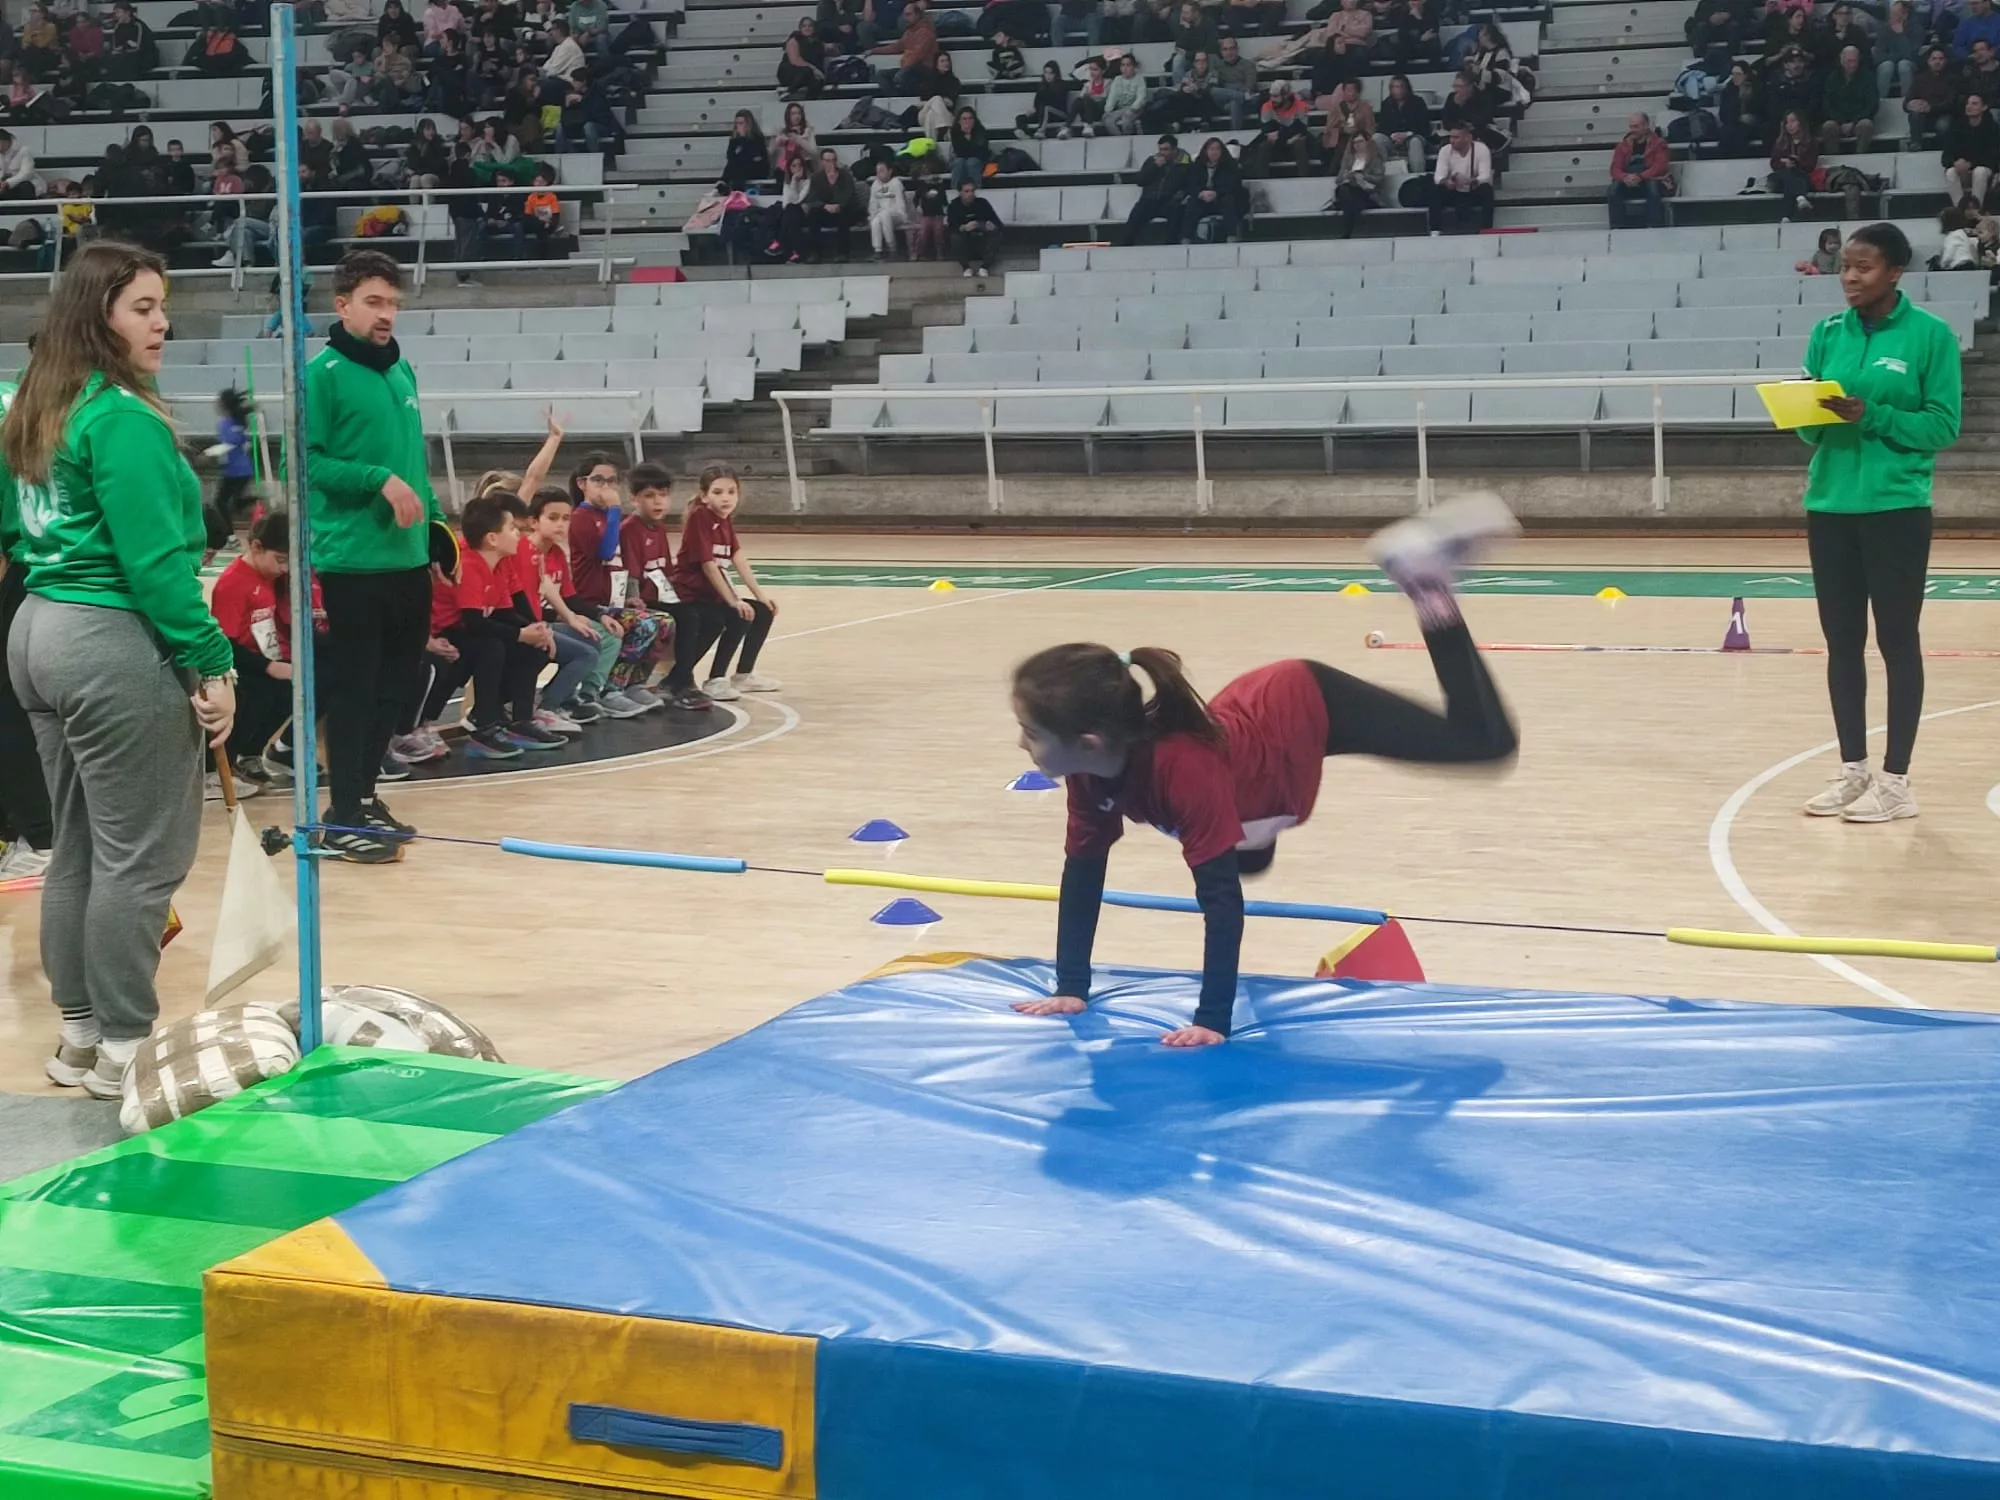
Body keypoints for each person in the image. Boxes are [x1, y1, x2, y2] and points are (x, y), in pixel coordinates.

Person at [1007, 495, 1519, 1047]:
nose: (1020, 743)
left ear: (1088, 742)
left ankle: (1426, 583)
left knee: (1485, 743)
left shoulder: (1183, 773)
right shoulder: (1089, 775)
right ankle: (1425, 583)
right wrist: (1071, 986)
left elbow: (1221, 903)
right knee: (1249, 855)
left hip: (1305, 703)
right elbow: (1083, 873)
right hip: (1253, 753)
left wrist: (1212, 1019)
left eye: (1031, 732)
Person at [0, 241, 236, 1097]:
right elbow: (156, 565)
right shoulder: (122, 417)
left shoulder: (41, 405)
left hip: (38, 628)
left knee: (78, 848)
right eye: (142, 307)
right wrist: (213, 662)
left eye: (162, 306)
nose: (162, 322)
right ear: (98, 314)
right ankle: (128, 1050)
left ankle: (80, 1038)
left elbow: (14, 532)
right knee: (139, 858)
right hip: (107, 639)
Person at [1796, 223, 1961, 824]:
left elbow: (1942, 426)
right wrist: (1804, 411)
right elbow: (1811, 431)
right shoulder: (1826, 333)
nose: (1849, 277)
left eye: (1863, 267)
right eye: (1845, 266)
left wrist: (1872, 414)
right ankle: (1853, 772)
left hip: (1896, 508)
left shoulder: (1930, 336)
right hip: (1830, 506)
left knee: (1897, 641)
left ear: (1894, 272)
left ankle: (1896, 783)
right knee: (1842, 643)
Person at [305, 251, 442, 863]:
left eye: (393, 303)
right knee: (356, 690)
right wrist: (375, 479)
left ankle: (363, 796)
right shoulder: (321, 375)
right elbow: (303, 463)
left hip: (407, 560)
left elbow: (414, 462)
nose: (386, 314)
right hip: (353, 562)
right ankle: (341, 817)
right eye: (373, 302)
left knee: (396, 687)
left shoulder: (401, 368)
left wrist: (436, 527)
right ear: (343, 305)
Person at [426, 494, 565, 758]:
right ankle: (484, 725)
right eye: (512, 528)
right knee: (490, 648)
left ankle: (520, 720)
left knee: (534, 648)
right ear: (492, 538)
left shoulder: (498, 565)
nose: (519, 534)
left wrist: (537, 630)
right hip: (447, 631)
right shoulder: (469, 565)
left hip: (471, 628)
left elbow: (505, 612)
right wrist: (521, 634)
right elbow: (473, 622)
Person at [209, 509, 316, 783]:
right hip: (238, 664)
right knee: (256, 696)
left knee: (294, 689)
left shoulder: (270, 578)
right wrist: (268, 666)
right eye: (280, 560)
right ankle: (220, 768)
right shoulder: (233, 583)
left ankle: (251, 753)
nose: (284, 569)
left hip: (263, 657)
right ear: (256, 547)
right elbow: (226, 643)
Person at [0, 377, 54, 885]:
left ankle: (38, 838)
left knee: (10, 708)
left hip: (20, 570)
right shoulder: (17, 395)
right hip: (42, 566)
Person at [670, 465, 780, 701]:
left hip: (711, 594)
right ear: (704, 496)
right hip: (690, 594)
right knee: (739, 614)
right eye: (718, 492)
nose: (726, 498)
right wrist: (733, 600)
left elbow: (737, 556)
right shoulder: (700, 517)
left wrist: (760, 595)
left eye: (732, 492)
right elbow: (708, 565)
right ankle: (715, 679)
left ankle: (743, 675)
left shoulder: (724, 519)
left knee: (763, 611)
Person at [564, 452, 663, 714]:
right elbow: (606, 552)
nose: (606, 487)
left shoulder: (605, 518)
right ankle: (608, 689)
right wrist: (615, 510)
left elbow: (618, 563)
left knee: (664, 623)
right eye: (598, 480)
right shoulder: (581, 517)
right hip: (591, 602)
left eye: (611, 481)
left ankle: (633, 683)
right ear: (582, 483)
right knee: (643, 625)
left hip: (613, 600)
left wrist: (628, 595)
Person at [522, 487, 621, 721]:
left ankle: (568, 696)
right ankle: (547, 707)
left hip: (547, 622)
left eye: (566, 518)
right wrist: (564, 617)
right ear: (534, 522)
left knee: (596, 637)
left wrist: (599, 615)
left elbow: (570, 597)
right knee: (585, 653)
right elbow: (524, 603)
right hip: (528, 624)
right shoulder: (524, 552)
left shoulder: (556, 554)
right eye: (553, 518)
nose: (561, 524)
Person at [1121, 133, 1189, 244]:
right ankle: (1125, 243)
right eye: (1160, 149)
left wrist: (1180, 195)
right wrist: (1155, 166)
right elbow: (1140, 181)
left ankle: (1171, 244)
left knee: (1178, 213)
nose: (1162, 153)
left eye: (1166, 149)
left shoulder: (1186, 163)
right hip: (1149, 199)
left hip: (1170, 200)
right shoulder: (1152, 160)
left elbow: (1189, 183)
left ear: (1174, 150)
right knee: (1136, 214)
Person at [1607, 112, 1672, 228]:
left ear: (1646, 125)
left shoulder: (1659, 144)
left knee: (1653, 187)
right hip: (1629, 181)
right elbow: (1615, 168)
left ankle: (1654, 226)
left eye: (1636, 126)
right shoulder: (1622, 145)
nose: (1632, 130)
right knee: (1613, 190)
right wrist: (1625, 177)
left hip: (1651, 180)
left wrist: (1640, 176)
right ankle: (1617, 228)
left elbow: (1660, 167)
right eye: (1631, 126)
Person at [1430, 122, 1493, 232]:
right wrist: (1447, 182)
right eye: (1451, 137)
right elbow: (1438, 177)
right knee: (1436, 191)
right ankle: (1434, 231)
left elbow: (1485, 176)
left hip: (1473, 189)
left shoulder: (1481, 149)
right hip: (1454, 190)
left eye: (1456, 137)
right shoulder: (1445, 150)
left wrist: (1470, 181)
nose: (1452, 141)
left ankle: (1487, 229)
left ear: (1468, 138)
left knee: (1486, 190)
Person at [1180, 135, 1243, 242]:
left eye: (1217, 149)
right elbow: (1190, 185)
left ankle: (1232, 236)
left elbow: (1233, 185)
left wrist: (1216, 193)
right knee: (1192, 203)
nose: (1214, 152)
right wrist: (1200, 193)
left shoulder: (1230, 165)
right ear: (1205, 151)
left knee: (1228, 201)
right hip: (1202, 199)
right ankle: (1186, 238)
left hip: (1221, 198)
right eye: (1211, 149)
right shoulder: (1196, 166)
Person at [805, 146, 863, 261]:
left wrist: (838, 204)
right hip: (824, 210)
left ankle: (843, 253)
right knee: (813, 214)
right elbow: (812, 198)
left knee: (844, 215)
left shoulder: (845, 176)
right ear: (822, 162)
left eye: (833, 160)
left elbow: (849, 196)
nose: (831, 163)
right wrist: (825, 206)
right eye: (827, 161)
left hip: (842, 209)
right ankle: (815, 253)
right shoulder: (816, 177)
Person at [1820, 45, 1880, 155]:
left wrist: (1854, 122)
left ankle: (1860, 156)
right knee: (1828, 126)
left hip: (1859, 120)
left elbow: (1872, 104)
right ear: (1842, 61)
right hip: (1838, 120)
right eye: (1849, 61)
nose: (1853, 65)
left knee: (1866, 125)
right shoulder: (1832, 78)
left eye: (1855, 61)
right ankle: (1834, 158)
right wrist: (1840, 121)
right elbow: (1827, 104)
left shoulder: (1868, 77)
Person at [1943, 90, 2000, 203]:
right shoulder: (1956, 127)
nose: (1969, 107)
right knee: (1950, 172)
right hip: (1962, 171)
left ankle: (1976, 208)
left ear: (1984, 107)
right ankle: (1959, 208)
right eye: (1967, 103)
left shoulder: (1993, 128)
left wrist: (1970, 164)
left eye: (1974, 104)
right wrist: (1955, 163)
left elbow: (1993, 157)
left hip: (1984, 171)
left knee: (1979, 172)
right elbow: (1945, 156)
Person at [1245, 79, 1312, 174]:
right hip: (1277, 143)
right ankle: (1261, 177)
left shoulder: (1300, 106)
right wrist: (1285, 139)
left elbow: (1301, 130)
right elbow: (1268, 131)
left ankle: (1304, 177)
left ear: (1285, 96)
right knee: (1264, 145)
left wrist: (1287, 137)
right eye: (1271, 96)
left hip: (1293, 142)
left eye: (1276, 96)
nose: (1272, 99)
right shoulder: (1266, 106)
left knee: (1300, 143)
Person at [1332, 128, 1387, 236]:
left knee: (1350, 198)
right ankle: (1354, 226)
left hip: (1367, 193)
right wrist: (1346, 176)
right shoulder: (1349, 159)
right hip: (1349, 190)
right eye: (1355, 142)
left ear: (1367, 142)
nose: (1357, 145)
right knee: (1346, 191)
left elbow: (1379, 179)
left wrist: (1363, 176)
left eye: (1360, 141)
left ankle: (1347, 231)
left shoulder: (1375, 158)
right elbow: (1338, 180)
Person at [945, 176, 1002, 275]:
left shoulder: (982, 203)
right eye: (966, 191)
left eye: (972, 191)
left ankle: (985, 267)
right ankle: (966, 267)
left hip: (982, 241)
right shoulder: (954, 206)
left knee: (997, 234)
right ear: (960, 192)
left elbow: (999, 224)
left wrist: (990, 225)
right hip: (965, 244)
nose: (970, 194)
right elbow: (952, 227)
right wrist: (964, 227)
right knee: (955, 237)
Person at [1377, 71, 1432, 172]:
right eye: (1394, 87)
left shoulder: (1418, 102)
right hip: (1392, 139)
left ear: (1407, 88)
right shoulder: (1386, 104)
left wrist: (1407, 135)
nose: (1398, 90)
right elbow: (1382, 127)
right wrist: (1393, 136)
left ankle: (1418, 175)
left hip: (1413, 136)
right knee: (1377, 138)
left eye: (1400, 87)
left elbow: (1424, 127)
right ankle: (1381, 173)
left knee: (1415, 142)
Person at [1768, 108, 1819, 213]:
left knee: (1793, 179)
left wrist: (1797, 162)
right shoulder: (1780, 143)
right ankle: (1801, 198)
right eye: (1787, 123)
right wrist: (1785, 164)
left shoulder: (1811, 142)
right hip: (1781, 178)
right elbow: (1774, 163)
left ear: (1801, 123)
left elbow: (1811, 165)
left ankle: (1786, 216)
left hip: (1802, 177)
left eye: (1792, 121)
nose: (1789, 125)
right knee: (1789, 175)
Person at [1908, 46, 1958, 151]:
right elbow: (1907, 101)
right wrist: (1910, 104)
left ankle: (1943, 149)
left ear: (1945, 61)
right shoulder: (1919, 79)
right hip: (1924, 117)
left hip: (1943, 114)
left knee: (1943, 124)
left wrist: (1930, 107)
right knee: (1915, 113)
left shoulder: (1953, 79)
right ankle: (1915, 144)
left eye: (1940, 59)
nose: (1937, 62)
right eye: (1934, 59)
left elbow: (1951, 103)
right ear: (1928, 61)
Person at [867, 159, 911, 258]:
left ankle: (892, 247)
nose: (879, 174)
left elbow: (901, 203)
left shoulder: (896, 183)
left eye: (882, 171)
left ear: (890, 171)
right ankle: (878, 250)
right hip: (881, 215)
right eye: (877, 171)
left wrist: (904, 217)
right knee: (875, 222)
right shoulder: (875, 185)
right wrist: (872, 216)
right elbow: (872, 204)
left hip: (897, 214)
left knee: (885, 214)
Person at [1020, 59, 1073, 135]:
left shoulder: (1062, 85)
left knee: (1046, 107)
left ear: (1056, 74)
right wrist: (1033, 110)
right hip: (1043, 113)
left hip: (1059, 113)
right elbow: (1037, 102)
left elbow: (1057, 102)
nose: (1048, 76)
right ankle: (1023, 132)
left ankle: (1041, 131)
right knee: (1021, 117)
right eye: (1046, 73)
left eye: (1051, 73)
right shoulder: (1042, 86)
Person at [722, 108, 770, 191]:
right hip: (740, 168)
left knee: (739, 165)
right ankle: (723, 184)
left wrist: (743, 140)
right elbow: (730, 157)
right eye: (737, 123)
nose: (738, 126)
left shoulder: (757, 138)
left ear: (748, 124)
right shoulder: (734, 140)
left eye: (741, 123)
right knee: (733, 165)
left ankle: (725, 185)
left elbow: (753, 156)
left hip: (757, 168)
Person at [1103, 51, 1149, 134]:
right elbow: (1112, 96)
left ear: (1133, 67)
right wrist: (1108, 110)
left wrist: (1132, 109)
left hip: (1136, 109)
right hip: (1121, 109)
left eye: (1128, 65)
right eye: (1123, 65)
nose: (1125, 68)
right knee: (1107, 119)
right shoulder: (1117, 79)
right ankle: (1119, 139)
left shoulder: (1139, 79)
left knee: (1126, 120)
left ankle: (1127, 139)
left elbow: (1141, 97)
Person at [948, 104, 992, 188]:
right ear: (959, 121)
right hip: (958, 160)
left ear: (974, 120)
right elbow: (959, 152)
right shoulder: (955, 132)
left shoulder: (981, 132)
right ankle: (955, 190)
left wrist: (969, 136)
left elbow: (981, 153)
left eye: (970, 118)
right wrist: (966, 137)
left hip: (978, 161)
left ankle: (976, 189)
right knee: (959, 162)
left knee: (972, 162)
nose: (967, 121)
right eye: (964, 119)